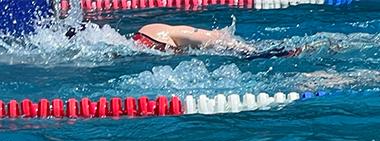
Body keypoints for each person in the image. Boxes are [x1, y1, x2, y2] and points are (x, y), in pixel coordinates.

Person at [65, 22, 299, 59]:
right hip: (154, 41)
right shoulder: (159, 33)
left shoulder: (154, 33)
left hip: (146, 42)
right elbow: (213, 39)